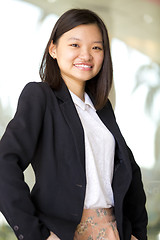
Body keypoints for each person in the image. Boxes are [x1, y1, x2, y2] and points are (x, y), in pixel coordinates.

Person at [0, 8, 148, 240]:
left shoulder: (102, 109)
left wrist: (137, 232)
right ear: (53, 49)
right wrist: (36, 234)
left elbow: (129, 171)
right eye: (75, 45)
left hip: (114, 231)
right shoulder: (40, 96)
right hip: (65, 232)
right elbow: (4, 164)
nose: (86, 55)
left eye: (96, 47)